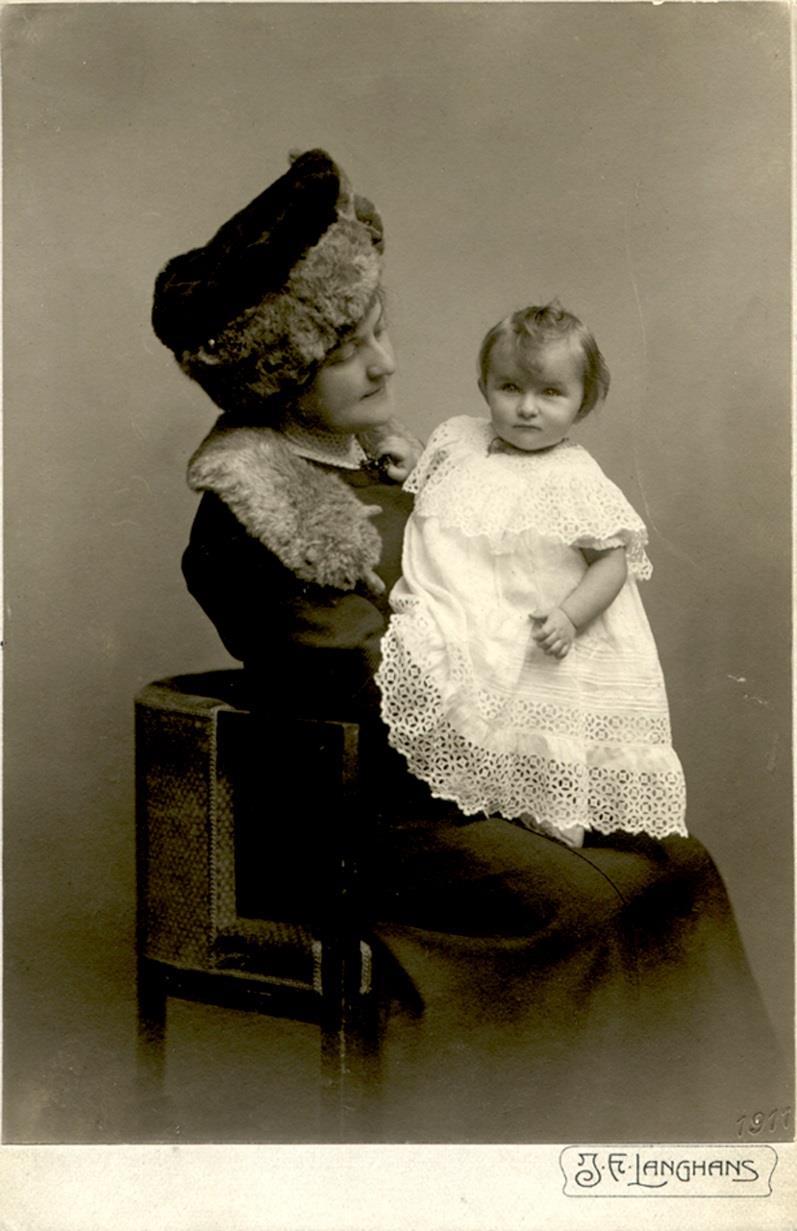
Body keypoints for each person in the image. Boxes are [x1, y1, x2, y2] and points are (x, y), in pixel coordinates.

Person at [152, 148, 786, 1142]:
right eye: (347, 348)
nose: (386, 362)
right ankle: (526, 1170)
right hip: (363, 816)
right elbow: (369, 689)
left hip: (472, 777)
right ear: (281, 372)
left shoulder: (410, 474)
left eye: (381, 331)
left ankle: (727, 1154)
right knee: (576, 907)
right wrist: (525, 779)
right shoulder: (258, 516)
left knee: (677, 867)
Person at [377, 302, 687, 850]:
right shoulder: (460, 438)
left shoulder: (574, 478)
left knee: (540, 704)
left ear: (582, 401)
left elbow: (612, 562)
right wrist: (416, 468)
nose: (526, 409)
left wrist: (570, 616)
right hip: (470, 600)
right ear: (484, 386)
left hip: (540, 621)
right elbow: (454, 489)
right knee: (467, 684)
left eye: (550, 393)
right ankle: (491, 795)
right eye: (509, 387)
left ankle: (553, 804)